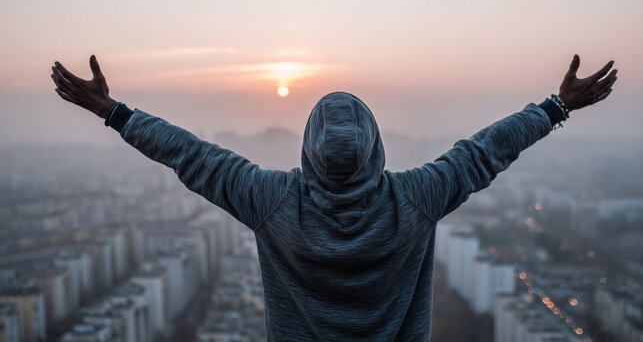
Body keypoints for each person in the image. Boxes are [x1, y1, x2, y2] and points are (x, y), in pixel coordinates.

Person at [51, 54, 617, 341]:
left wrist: (114, 112)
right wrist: (555, 107)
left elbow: (191, 155)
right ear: (374, 144)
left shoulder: (270, 201)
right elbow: (486, 151)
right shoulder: (417, 198)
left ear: (308, 147)